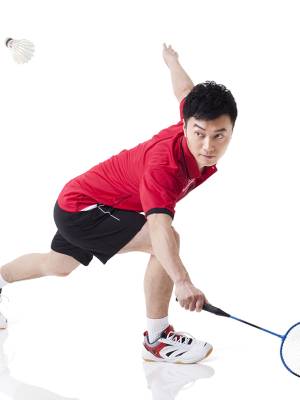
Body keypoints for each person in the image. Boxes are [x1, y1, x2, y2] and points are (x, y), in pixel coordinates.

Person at [0, 43, 237, 364]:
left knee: (57, 266)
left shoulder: (193, 114)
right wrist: (182, 281)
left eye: (219, 135)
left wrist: (172, 61)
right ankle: (157, 338)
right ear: (184, 125)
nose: (208, 145)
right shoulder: (163, 167)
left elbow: (184, 88)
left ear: (231, 130)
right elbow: (158, 226)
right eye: (199, 133)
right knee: (165, 243)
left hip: (81, 200)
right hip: (83, 210)